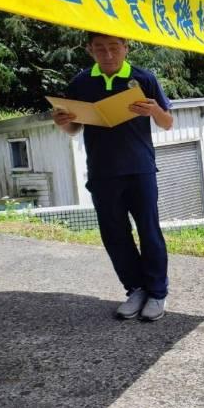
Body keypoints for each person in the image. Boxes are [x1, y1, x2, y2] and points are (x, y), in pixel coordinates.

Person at [53, 32, 173, 321]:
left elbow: (167, 123)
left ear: (125, 47)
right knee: (114, 234)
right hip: (102, 171)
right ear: (89, 50)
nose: (107, 54)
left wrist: (154, 109)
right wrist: (63, 123)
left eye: (113, 47)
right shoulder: (80, 83)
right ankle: (135, 289)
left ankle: (157, 294)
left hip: (140, 168)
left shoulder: (144, 78)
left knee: (149, 231)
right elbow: (74, 129)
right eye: (100, 48)